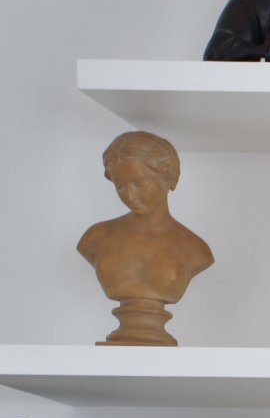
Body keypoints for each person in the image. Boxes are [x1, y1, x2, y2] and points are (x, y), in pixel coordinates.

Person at [77, 131, 214, 346]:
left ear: (166, 177)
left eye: (139, 183)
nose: (129, 195)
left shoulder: (195, 249)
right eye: (120, 186)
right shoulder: (96, 237)